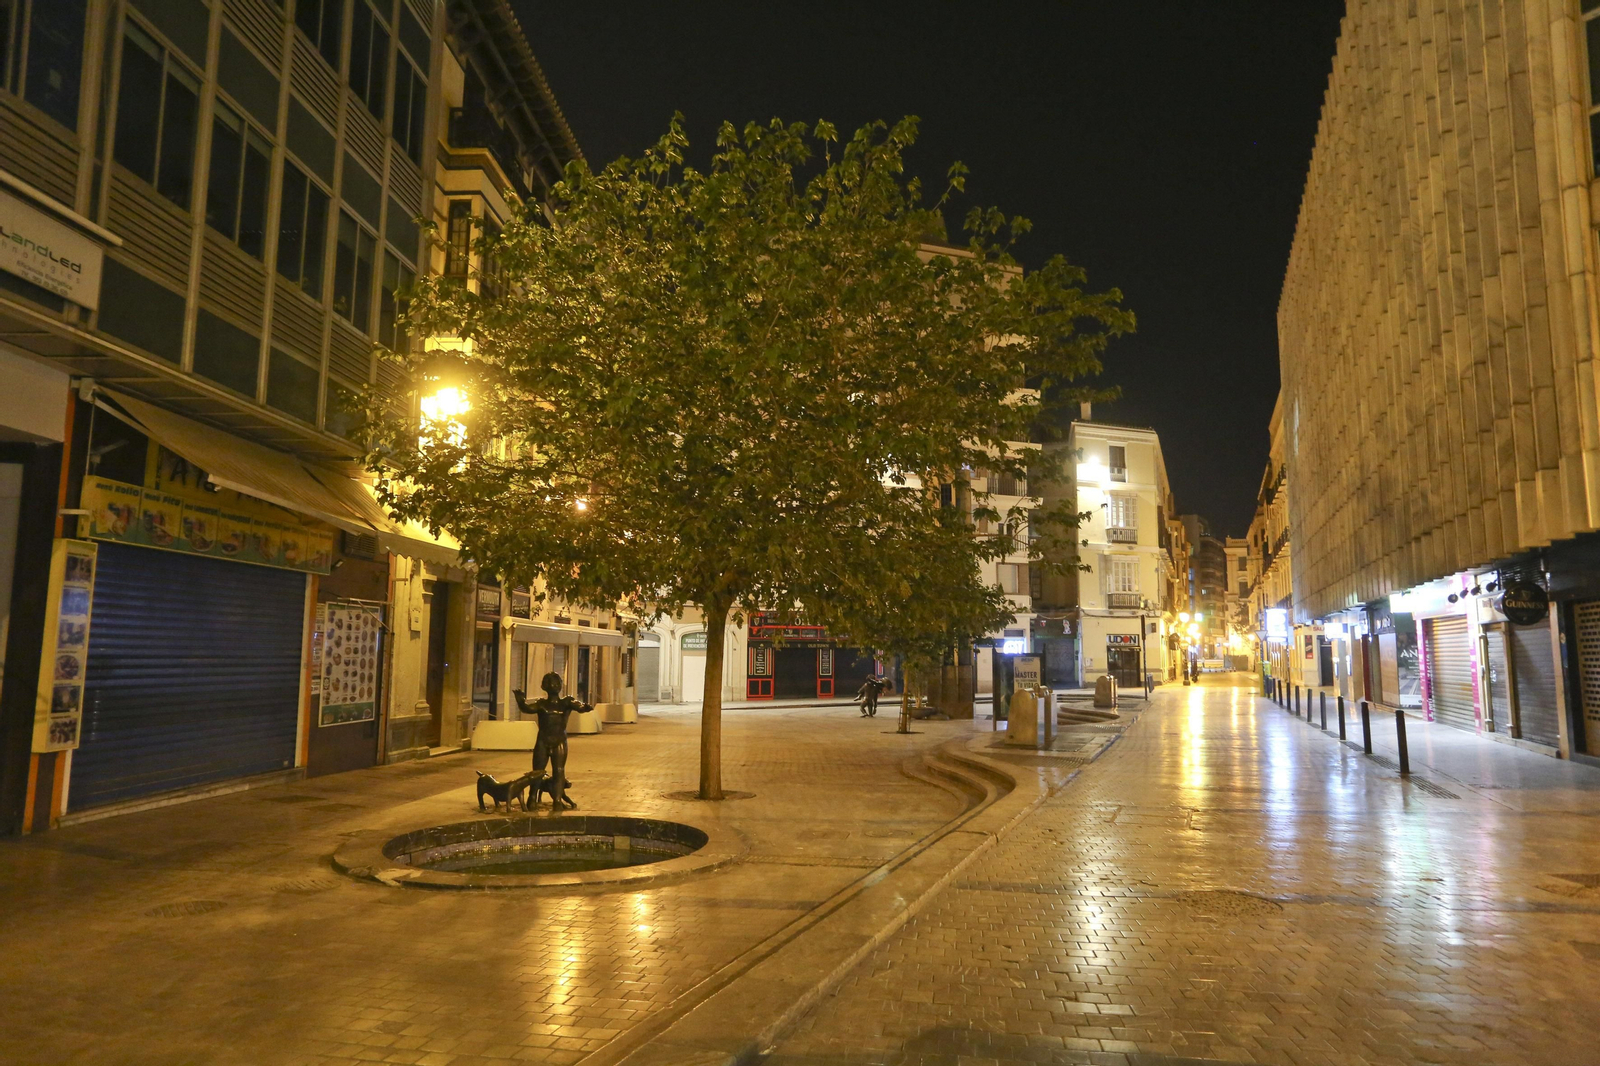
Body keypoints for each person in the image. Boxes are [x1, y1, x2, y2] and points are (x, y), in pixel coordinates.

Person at [513, 671, 590, 809]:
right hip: (543, 741)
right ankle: (532, 798)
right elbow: (527, 709)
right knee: (537, 771)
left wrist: (585, 708)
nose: (553, 685)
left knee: (559, 770)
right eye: (549, 683)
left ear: (561, 685)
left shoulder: (567, 702)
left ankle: (558, 800)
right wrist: (520, 701)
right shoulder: (541, 704)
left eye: (556, 682)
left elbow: (579, 706)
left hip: (559, 740)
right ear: (544, 686)